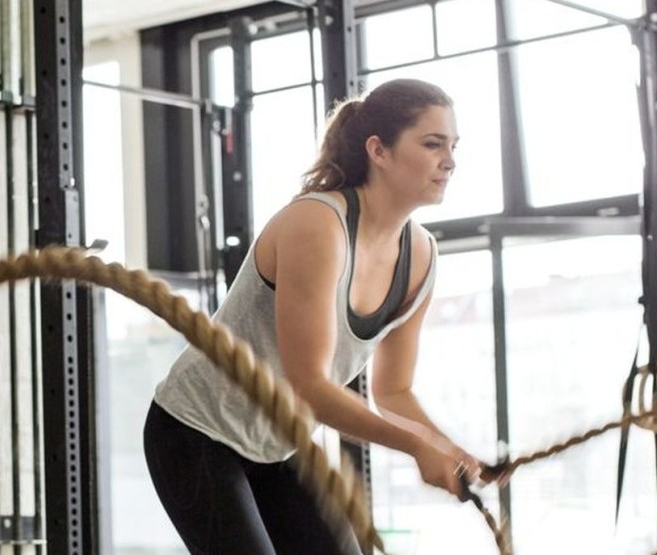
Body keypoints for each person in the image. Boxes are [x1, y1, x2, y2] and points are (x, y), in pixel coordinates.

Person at [145, 78, 495, 555]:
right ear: (380, 151)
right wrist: (417, 445)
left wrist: (448, 450)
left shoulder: (421, 257)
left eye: (453, 146)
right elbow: (311, 385)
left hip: (280, 443)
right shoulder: (317, 225)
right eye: (432, 144)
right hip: (196, 431)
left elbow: (393, 391)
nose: (450, 161)